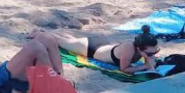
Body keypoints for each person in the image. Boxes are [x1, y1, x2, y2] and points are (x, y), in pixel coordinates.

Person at [33, 27, 162, 75]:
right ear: (140, 49)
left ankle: (67, 36)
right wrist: (146, 65)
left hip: (102, 46)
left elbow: (150, 65)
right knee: (61, 42)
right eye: (151, 53)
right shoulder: (129, 48)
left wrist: (149, 61)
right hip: (90, 48)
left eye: (155, 52)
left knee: (71, 42)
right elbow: (124, 69)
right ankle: (40, 33)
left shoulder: (143, 47)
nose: (153, 55)